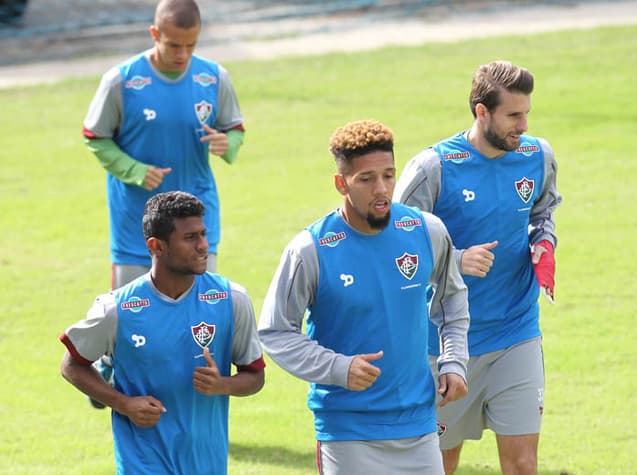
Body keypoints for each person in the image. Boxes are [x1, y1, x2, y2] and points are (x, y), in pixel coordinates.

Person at [258, 119, 470, 475]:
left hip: (418, 423)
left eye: (388, 175)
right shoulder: (311, 250)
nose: (382, 189)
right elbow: (275, 331)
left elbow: (451, 298)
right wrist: (339, 368)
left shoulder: (425, 230)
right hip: (347, 431)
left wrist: (454, 361)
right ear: (342, 183)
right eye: (367, 179)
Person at [393, 60, 562, 475]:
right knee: (439, 464)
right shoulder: (432, 168)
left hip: (516, 331)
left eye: (527, 113)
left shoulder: (537, 157)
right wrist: (454, 260)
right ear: (481, 112)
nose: (523, 125)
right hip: (447, 345)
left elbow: (544, 213)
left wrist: (543, 243)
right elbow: (395, 249)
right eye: (513, 115)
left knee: (523, 464)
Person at [59, 191, 265, 475]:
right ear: (157, 246)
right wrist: (124, 404)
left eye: (203, 234)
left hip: (207, 463)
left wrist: (223, 385)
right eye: (190, 238)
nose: (203, 245)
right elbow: (71, 365)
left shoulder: (231, 300)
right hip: (142, 463)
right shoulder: (117, 309)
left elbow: (255, 375)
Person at [83, 0, 245, 289]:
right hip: (136, 226)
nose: (182, 54)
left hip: (195, 223)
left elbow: (235, 129)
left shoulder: (214, 77)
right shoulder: (121, 81)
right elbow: (95, 137)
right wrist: (134, 170)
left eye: (191, 45)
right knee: (134, 322)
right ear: (155, 34)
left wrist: (227, 143)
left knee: (199, 317)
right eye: (173, 45)